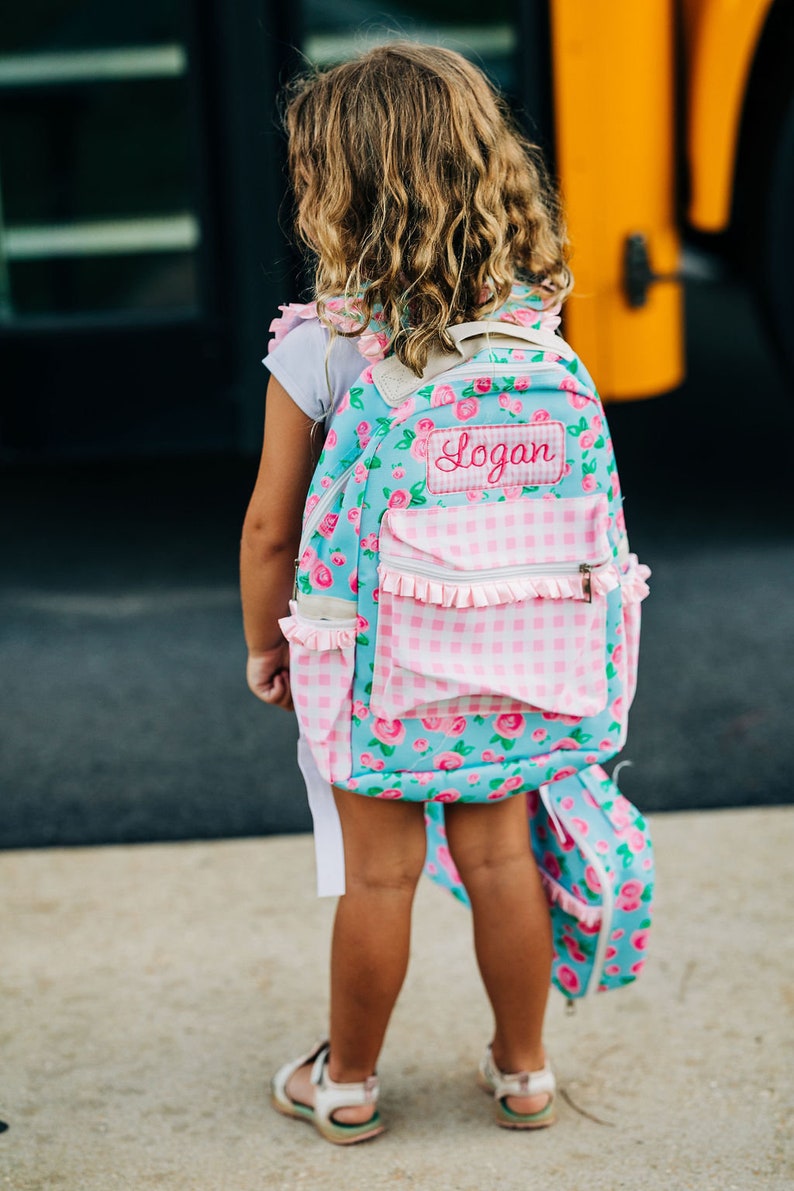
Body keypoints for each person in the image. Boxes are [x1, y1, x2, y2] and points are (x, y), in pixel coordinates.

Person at [240, 41, 573, 1145]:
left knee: (377, 879)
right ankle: (523, 1073)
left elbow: (269, 528)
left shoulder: (320, 350)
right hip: (509, 644)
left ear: (336, 193)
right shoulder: (529, 329)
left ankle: (346, 1083)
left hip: (379, 661)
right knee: (497, 855)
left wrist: (266, 645)